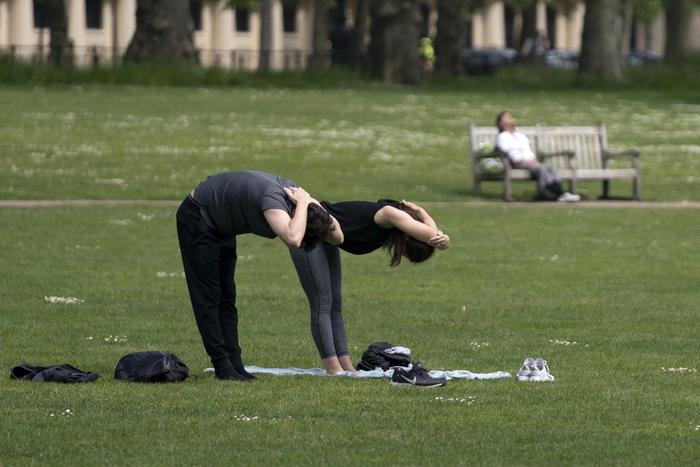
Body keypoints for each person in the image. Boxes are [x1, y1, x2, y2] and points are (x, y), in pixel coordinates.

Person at [176, 170, 343, 381]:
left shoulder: (305, 200)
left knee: (227, 296)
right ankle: (222, 366)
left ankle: (235, 364)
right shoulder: (276, 202)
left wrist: (307, 202)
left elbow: (338, 237)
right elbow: (293, 238)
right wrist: (302, 204)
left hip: (222, 225)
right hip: (198, 216)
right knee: (208, 297)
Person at [286, 195, 451, 375]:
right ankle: (332, 368)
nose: (401, 253)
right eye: (406, 251)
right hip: (309, 228)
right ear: (407, 236)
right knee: (322, 303)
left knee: (335, 304)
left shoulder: (392, 224)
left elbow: (431, 236)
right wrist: (426, 217)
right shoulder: (389, 214)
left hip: (327, 233)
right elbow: (431, 235)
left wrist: (425, 219)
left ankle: (346, 366)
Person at [496, 111, 580, 202]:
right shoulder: (502, 137)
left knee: (550, 168)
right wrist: (523, 160)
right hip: (516, 162)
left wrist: (532, 159)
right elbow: (505, 151)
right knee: (542, 169)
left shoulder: (520, 135)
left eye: (510, 116)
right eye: (506, 117)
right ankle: (552, 193)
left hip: (530, 161)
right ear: (500, 123)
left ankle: (559, 193)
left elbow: (527, 150)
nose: (510, 118)